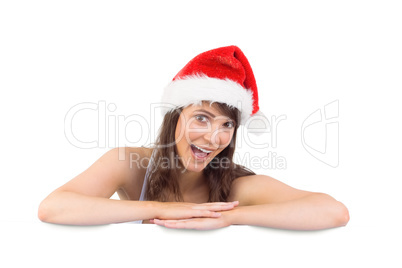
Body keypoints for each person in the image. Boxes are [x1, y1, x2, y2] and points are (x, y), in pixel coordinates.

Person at [38, 46, 349, 230]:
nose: (215, 138)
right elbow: (53, 207)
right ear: (175, 117)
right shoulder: (131, 164)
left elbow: (333, 211)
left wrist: (228, 217)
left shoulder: (237, 186)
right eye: (202, 118)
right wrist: (159, 209)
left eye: (227, 125)